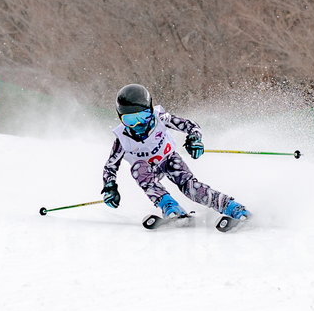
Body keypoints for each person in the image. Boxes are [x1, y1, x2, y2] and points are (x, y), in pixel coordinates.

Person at [100, 83, 250, 220]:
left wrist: (194, 139)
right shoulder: (122, 139)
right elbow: (110, 166)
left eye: (144, 117)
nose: (138, 124)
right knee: (138, 168)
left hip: (169, 160)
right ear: (121, 119)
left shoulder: (161, 119)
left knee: (191, 188)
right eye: (130, 120)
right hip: (148, 171)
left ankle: (231, 207)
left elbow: (190, 125)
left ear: (151, 110)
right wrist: (110, 187)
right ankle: (169, 206)